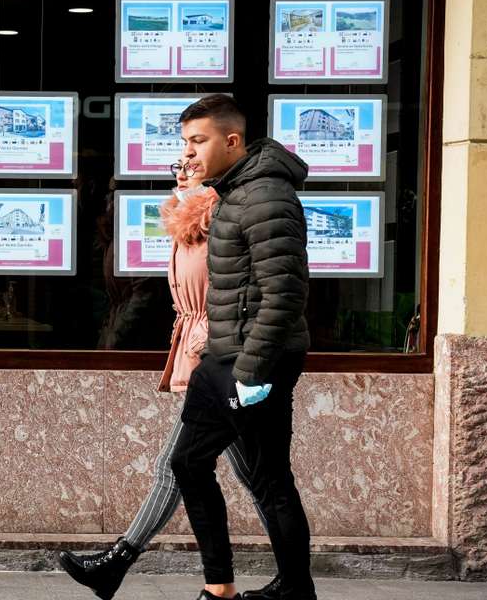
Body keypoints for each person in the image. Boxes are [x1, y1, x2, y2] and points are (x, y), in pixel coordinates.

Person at [56, 96, 281, 600]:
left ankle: (122, 561)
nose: (183, 167)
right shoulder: (189, 225)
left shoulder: (224, 218)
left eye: (192, 154)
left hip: (221, 358)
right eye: (177, 159)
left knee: (183, 464)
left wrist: (230, 359)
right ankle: (263, 579)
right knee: (249, 473)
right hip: (203, 355)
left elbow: (248, 296)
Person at [168, 95, 315, 600]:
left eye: (198, 141)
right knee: (188, 462)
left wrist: (250, 375)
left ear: (232, 141)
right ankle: (220, 587)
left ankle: (296, 589)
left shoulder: (267, 197)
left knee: (271, 481)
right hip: (222, 357)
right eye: (185, 142)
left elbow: (284, 295)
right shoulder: (233, 192)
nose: (189, 154)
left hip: (256, 362)